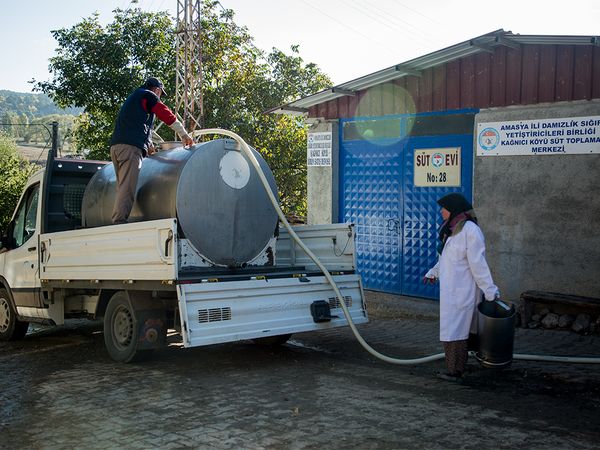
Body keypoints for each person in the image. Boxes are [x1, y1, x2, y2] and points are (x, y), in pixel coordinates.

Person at [423, 193, 499, 382]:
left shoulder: (470, 231)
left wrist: (490, 291)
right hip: (451, 291)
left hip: (463, 291)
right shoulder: (452, 230)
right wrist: (434, 272)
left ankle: (455, 371)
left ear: (454, 209)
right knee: (452, 330)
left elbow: (478, 264)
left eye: (444, 207)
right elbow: (445, 260)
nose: (441, 211)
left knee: (456, 332)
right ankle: (456, 368)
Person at [109, 77, 194, 224]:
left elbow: (139, 126)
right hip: (130, 148)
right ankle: (119, 221)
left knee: (122, 186)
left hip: (117, 147)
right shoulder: (149, 95)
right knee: (128, 187)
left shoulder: (135, 98)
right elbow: (166, 114)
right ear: (157, 89)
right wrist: (184, 134)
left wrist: (148, 145)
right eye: (161, 93)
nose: (160, 97)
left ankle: (118, 216)